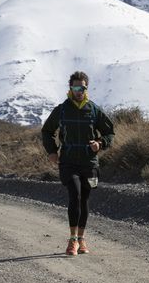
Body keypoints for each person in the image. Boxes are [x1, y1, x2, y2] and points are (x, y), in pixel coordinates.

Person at [41, 70, 115, 256]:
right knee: (75, 194)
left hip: (89, 163)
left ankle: (81, 239)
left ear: (86, 88)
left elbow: (110, 133)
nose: (79, 90)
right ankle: (72, 240)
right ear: (70, 88)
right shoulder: (62, 109)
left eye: (82, 87)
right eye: (75, 87)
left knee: (84, 199)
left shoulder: (94, 110)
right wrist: (52, 151)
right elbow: (47, 131)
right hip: (68, 162)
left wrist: (100, 143)